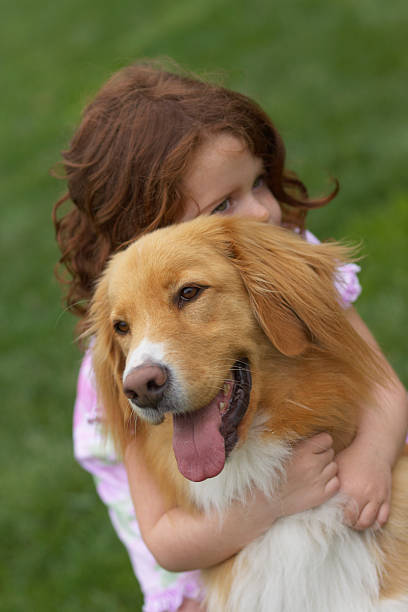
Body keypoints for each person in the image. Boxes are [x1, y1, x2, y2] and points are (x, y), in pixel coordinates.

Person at [53, 60, 408, 612]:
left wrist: (369, 460)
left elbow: (387, 391)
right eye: (224, 205)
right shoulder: (115, 362)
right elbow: (166, 540)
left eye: (259, 183)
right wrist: (267, 505)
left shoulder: (283, 253)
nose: (264, 211)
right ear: (148, 231)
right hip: (196, 560)